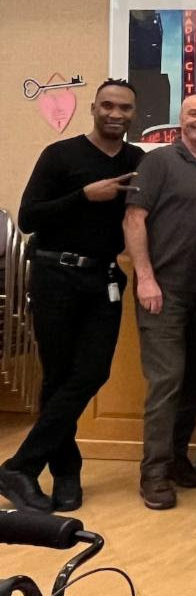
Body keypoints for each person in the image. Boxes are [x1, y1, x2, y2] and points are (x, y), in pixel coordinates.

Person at [0, 79, 143, 513]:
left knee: (91, 373)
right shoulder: (60, 154)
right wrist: (84, 195)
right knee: (59, 378)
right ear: (94, 108)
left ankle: (21, 465)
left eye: (124, 108)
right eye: (107, 106)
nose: (115, 114)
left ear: (134, 113)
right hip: (55, 276)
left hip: (105, 281)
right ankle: (66, 473)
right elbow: (28, 218)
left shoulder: (139, 160)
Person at [124, 93, 196, 510]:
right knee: (167, 380)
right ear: (180, 120)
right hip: (163, 292)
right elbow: (134, 219)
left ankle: (178, 456)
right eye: (193, 114)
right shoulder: (158, 162)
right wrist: (145, 277)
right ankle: (153, 473)